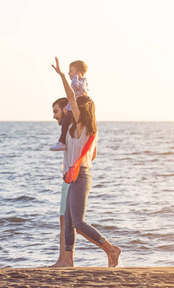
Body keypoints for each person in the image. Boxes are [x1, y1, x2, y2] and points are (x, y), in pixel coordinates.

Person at [50, 56, 122, 268]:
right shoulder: (72, 131)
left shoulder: (82, 128)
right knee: (70, 222)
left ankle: (111, 249)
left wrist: (63, 76)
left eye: (75, 109)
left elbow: (72, 98)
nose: (71, 110)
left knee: (78, 222)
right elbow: (95, 154)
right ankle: (67, 263)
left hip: (81, 175)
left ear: (82, 112)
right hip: (75, 176)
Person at [49, 97, 72, 266]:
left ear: (65, 109)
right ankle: (63, 259)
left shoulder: (71, 129)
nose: (54, 116)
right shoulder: (68, 130)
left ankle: (110, 249)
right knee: (64, 220)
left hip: (72, 178)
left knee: (71, 221)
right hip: (67, 178)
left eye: (56, 111)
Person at [50, 60, 89, 151]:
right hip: (71, 165)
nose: (69, 73)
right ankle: (61, 142)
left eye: (71, 71)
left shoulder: (79, 126)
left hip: (77, 165)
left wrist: (63, 76)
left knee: (65, 122)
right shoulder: (71, 129)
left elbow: (71, 96)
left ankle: (61, 142)